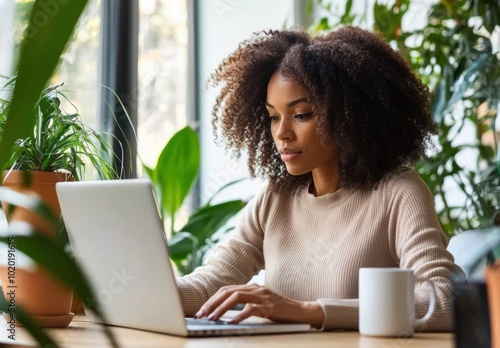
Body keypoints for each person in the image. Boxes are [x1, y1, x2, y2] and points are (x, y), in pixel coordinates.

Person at [176, 25, 463, 331]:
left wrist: (310, 311)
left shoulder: (397, 193)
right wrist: (134, 291)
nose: (282, 133)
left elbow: (444, 303)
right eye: (274, 117)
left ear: (349, 115)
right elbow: (208, 285)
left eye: (301, 115)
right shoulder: (276, 199)